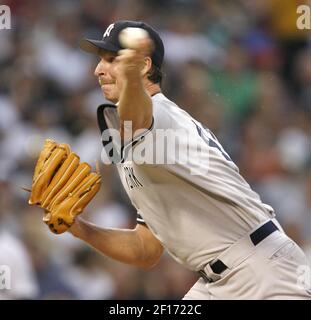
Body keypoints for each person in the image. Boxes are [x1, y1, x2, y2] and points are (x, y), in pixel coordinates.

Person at [69, 20, 311, 299]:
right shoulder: (136, 139)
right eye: (101, 60)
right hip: (218, 281)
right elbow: (145, 249)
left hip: (264, 270)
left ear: (143, 66)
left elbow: (137, 115)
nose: (98, 69)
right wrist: (79, 228)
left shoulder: (160, 116)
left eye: (112, 59)